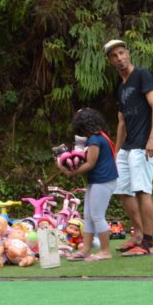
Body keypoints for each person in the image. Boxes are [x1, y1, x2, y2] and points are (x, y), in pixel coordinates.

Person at [103, 39, 153, 256]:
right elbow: (121, 122)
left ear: (127, 53)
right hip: (127, 147)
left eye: (121, 53)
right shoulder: (121, 86)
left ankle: (148, 243)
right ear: (110, 61)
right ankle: (137, 234)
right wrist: (116, 151)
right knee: (121, 190)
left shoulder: (142, 75)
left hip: (144, 144)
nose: (119, 58)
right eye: (114, 56)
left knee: (142, 191)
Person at [57, 108, 119, 262]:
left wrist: (70, 172)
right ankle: (85, 249)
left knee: (97, 216)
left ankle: (105, 251)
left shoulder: (95, 140)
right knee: (89, 217)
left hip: (103, 180)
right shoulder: (100, 136)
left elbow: (90, 163)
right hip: (98, 180)